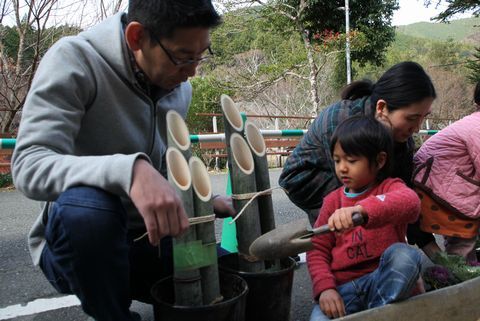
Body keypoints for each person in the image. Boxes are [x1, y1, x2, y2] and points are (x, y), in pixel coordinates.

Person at [11, 1, 234, 321]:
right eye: (183, 57)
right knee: (88, 209)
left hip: (148, 240)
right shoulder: (74, 60)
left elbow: (159, 176)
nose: (192, 72)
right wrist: (128, 170)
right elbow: (28, 165)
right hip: (80, 247)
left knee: (232, 277)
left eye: (201, 55)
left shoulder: (177, 86)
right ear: (137, 37)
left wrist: (204, 201)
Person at [279, 61, 439, 258]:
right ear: (382, 107)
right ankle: (338, 275)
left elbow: (404, 195)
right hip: (308, 181)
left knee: (384, 203)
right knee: (349, 236)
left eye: (423, 118)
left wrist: (434, 251)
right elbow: (354, 193)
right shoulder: (342, 121)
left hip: (355, 180)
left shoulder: (402, 141)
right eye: (412, 118)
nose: (417, 127)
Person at [307, 115, 423, 321]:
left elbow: (411, 203)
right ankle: (381, 313)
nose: (342, 167)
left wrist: (362, 210)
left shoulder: (391, 187)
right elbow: (317, 251)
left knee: (406, 255)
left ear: (379, 160)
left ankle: (377, 313)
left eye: (351, 161)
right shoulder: (332, 202)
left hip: (382, 281)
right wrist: (325, 289)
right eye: (337, 160)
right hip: (344, 290)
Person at [413, 82, 480, 265]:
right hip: (434, 187)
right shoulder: (477, 125)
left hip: (439, 184)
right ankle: (461, 277)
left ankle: (461, 271)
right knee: (463, 240)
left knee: (463, 239)